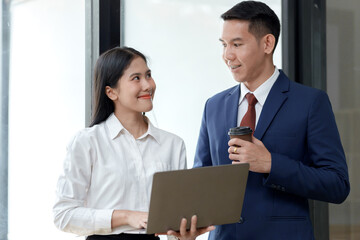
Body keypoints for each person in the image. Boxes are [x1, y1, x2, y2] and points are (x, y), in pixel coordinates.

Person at [193, 1, 350, 240]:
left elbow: (337, 184)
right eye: (224, 45)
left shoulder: (310, 102)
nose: (227, 55)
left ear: (267, 43)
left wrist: (271, 164)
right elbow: (201, 181)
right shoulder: (213, 106)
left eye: (237, 44)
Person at [53, 47, 212, 240]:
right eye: (136, 78)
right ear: (111, 92)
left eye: (148, 75)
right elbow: (63, 215)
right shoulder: (87, 142)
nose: (148, 85)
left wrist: (185, 237)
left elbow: (173, 226)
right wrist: (126, 216)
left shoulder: (173, 145)